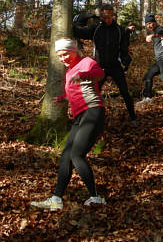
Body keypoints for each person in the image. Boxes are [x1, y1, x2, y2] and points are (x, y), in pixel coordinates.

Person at [31, 38, 106, 211]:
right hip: (80, 116)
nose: (63, 58)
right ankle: (56, 199)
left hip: (93, 111)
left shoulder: (87, 62)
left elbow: (99, 73)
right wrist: (63, 98)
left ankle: (95, 197)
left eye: (65, 54)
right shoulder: (69, 71)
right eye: (59, 56)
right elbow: (76, 90)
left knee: (77, 155)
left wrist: (84, 74)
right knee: (66, 155)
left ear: (74, 51)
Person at [73, 4, 137, 124]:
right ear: (101, 16)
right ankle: (86, 119)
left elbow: (124, 48)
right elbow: (78, 31)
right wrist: (83, 17)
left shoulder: (119, 30)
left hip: (115, 67)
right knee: (92, 93)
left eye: (109, 16)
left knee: (125, 92)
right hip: (99, 68)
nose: (106, 18)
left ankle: (133, 118)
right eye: (104, 16)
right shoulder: (95, 28)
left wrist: (126, 62)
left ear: (113, 16)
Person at [137, 13, 163, 106]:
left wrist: (152, 36)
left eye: (151, 23)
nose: (149, 26)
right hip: (160, 60)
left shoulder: (160, 29)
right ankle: (148, 97)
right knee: (148, 75)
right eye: (147, 24)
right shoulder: (155, 31)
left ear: (155, 22)